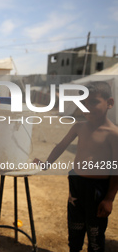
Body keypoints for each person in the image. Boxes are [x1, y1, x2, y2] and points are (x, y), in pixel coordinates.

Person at [36, 81, 118, 252]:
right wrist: (46, 164)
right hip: (76, 185)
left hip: (98, 190)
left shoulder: (113, 134)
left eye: (93, 102)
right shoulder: (79, 127)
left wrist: (109, 198)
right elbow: (61, 146)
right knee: (75, 227)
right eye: (84, 103)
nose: (87, 107)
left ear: (109, 103)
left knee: (95, 233)